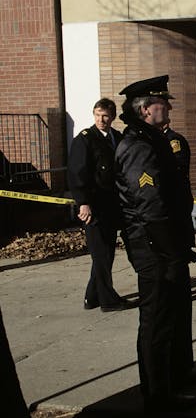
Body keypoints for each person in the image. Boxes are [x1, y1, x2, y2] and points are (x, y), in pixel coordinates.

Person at [114, 75, 196, 414]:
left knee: (176, 314)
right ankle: (157, 396)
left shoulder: (153, 139)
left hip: (168, 245)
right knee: (157, 322)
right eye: (164, 104)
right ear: (147, 109)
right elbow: (150, 207)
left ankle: (177, 375)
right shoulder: (138, 145)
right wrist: (170, 253)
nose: (169, 108)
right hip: (154, 249)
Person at [68, 98, 132, 312]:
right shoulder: (85, 139)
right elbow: (77, 173)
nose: (100, 119)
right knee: (101, 254)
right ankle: (108, 300)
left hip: (112, 206)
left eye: (105, 115)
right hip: (94, 207)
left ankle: (92, 297)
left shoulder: (117, 138)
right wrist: (83, 203)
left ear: (112, 117)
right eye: (97, 114)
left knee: (105, 253)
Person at [162, 106, 196, 393]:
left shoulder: (174, 140)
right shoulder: (143, 143)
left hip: (176, 215)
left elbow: (177, 171)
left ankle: (181, 370)